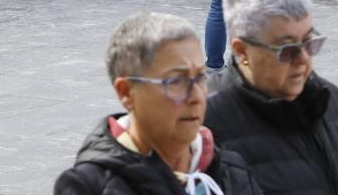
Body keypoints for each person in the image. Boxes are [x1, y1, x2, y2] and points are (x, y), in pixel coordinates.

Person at [204, 0, 338, 195]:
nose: (303, 59)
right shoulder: (208, 127)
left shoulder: (334, 102)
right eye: (287, 49)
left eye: (309, 42)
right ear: (242, 51)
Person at [53, 12, 263, 195]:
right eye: (175, 81)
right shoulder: (89, 186)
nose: (197, 96)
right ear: (126, 93)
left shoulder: (230, 169)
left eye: (200, 77)